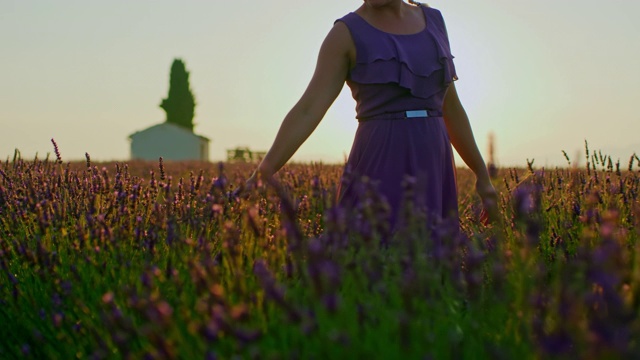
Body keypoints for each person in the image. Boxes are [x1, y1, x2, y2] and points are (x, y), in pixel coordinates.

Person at [248, 0, 498, 228]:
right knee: (374, 261)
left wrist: (482, 176)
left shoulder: (434, 21)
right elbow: (307, 110)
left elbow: (451, 106)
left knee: (431, 267)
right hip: (379, 165)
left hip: (434, 166)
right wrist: (263, 174)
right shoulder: (344, 34)